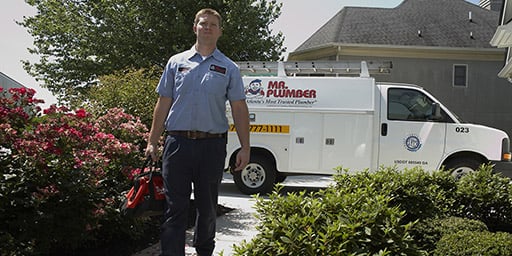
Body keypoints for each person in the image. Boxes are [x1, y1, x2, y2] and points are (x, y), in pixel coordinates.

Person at [145, 8, 250, 256]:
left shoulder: (229, 68)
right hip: (177, 144)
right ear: (195, 28)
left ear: (220, 31)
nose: (208, 28)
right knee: (175, 207)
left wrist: (245, 147)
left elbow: (239, 107)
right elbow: (163, 102)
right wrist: (152, 141)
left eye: (213, 24)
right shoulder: (176, 62)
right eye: (203, 23)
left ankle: (204, 251)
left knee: (207, 207)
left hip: (211, 146)